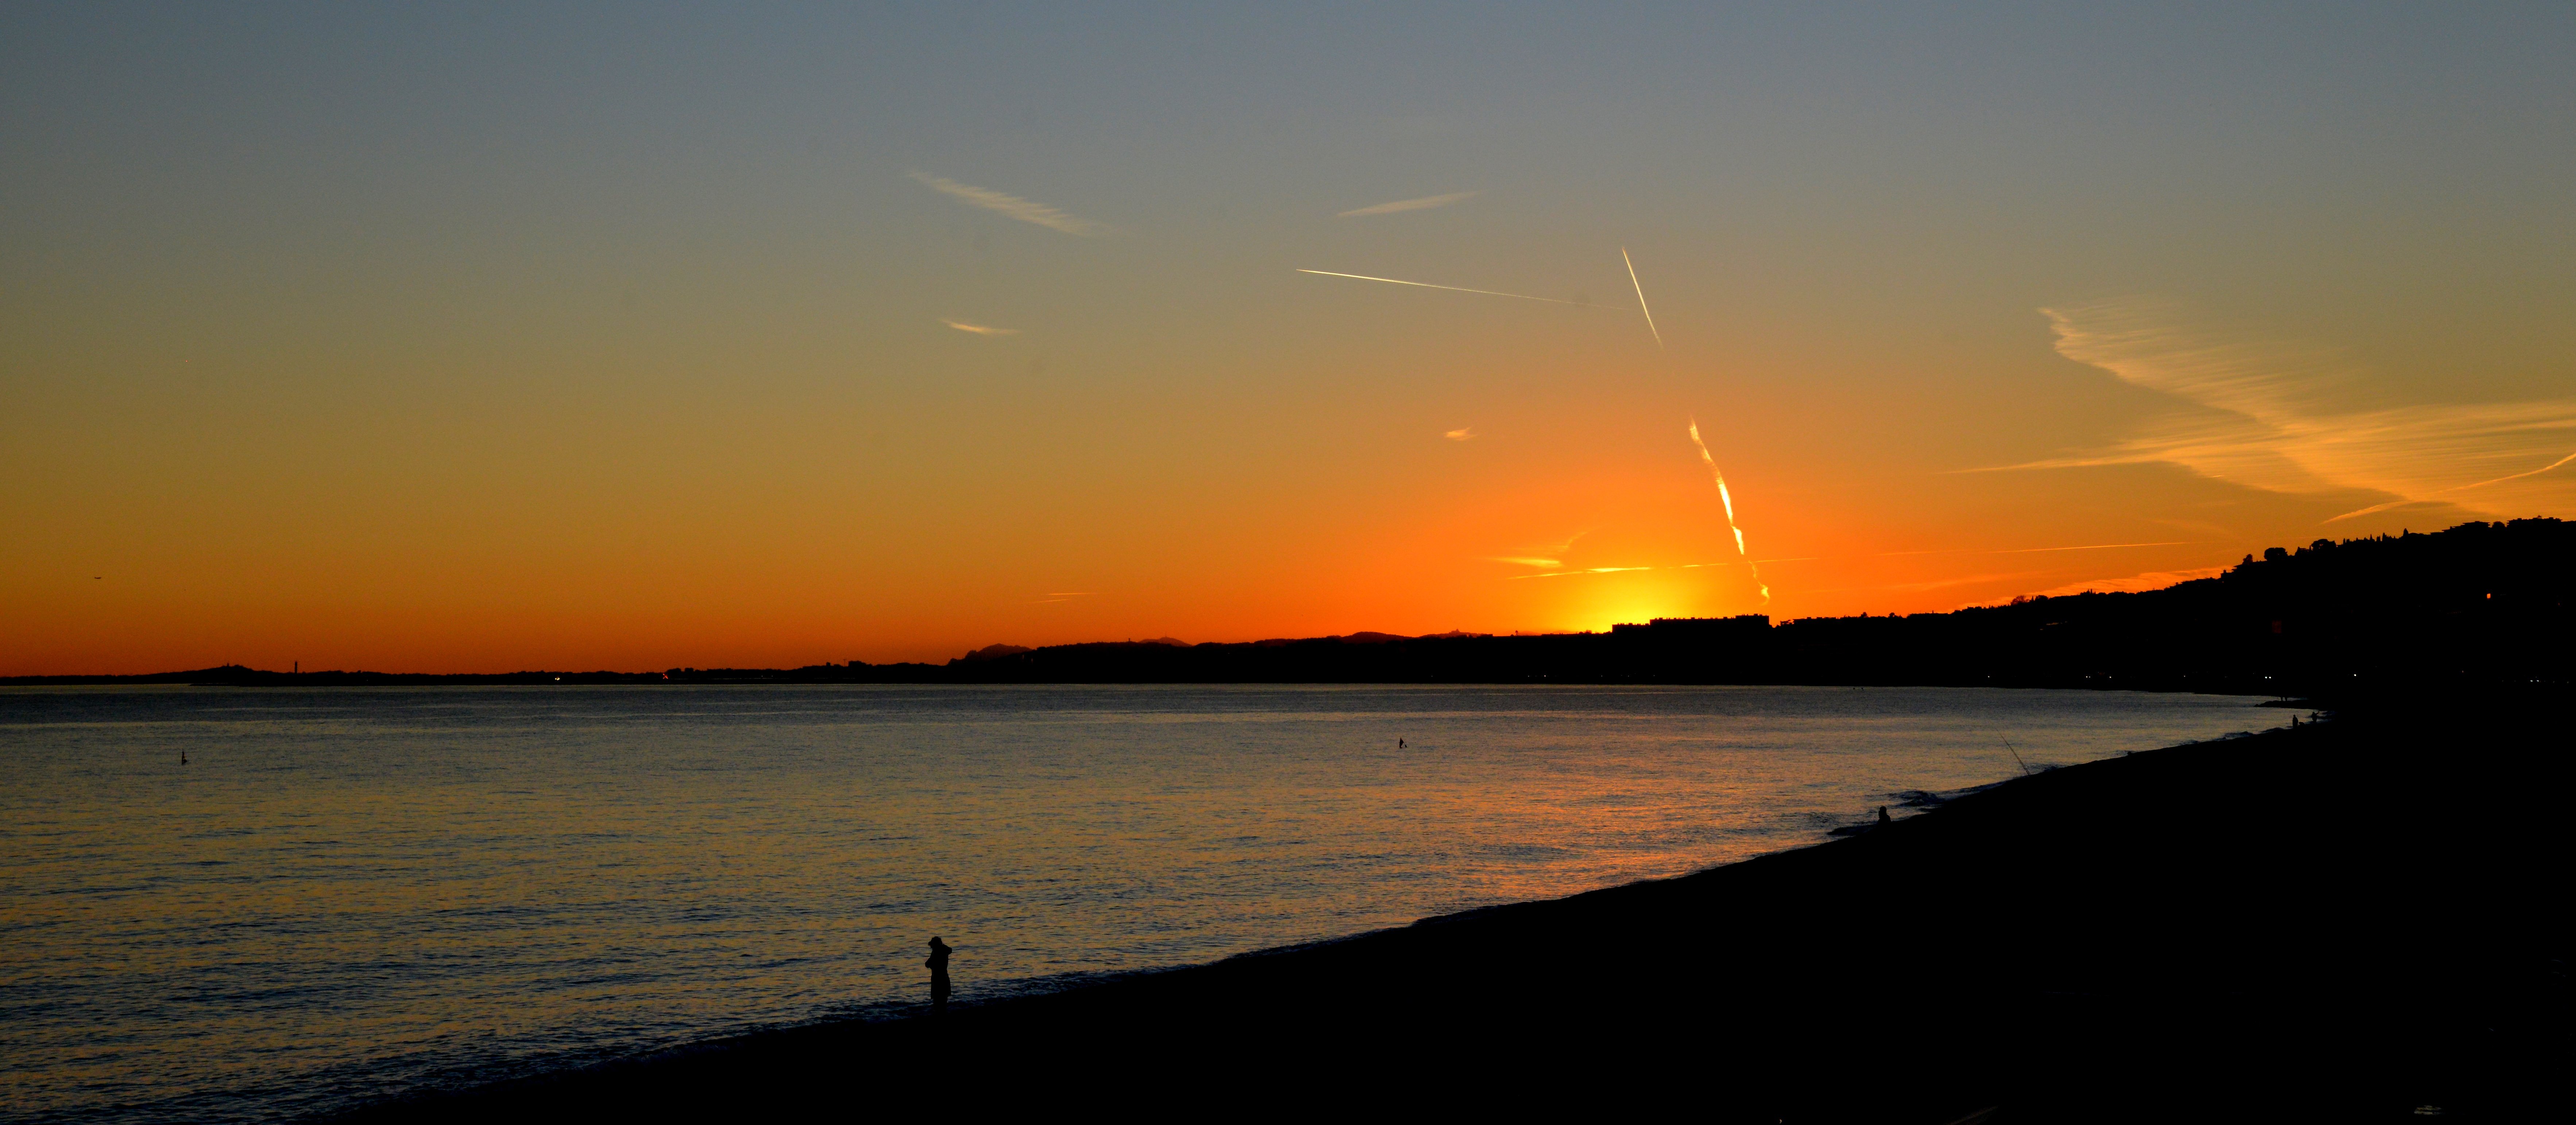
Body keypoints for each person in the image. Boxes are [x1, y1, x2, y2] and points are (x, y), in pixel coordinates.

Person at [926, 936, 952, 1013]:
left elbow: (927, 964)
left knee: (937, 1002)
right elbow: (950, 950)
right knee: (944, 1001)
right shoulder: (944, 950)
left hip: (937, 979)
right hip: (945, 977)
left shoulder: (935, 953)